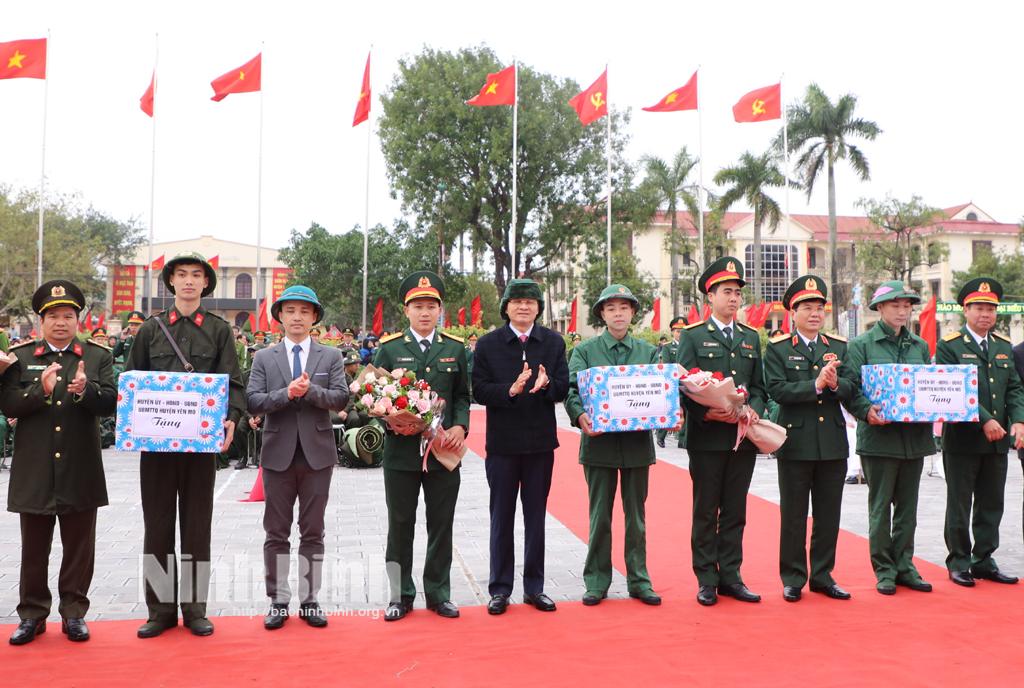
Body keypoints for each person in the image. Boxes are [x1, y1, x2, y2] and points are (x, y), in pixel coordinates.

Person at [126, 253, 245, 637]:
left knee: (197, 527)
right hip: (157, 447)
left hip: (199, 447)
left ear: (206, 284)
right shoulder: (150, 330)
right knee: (157, 527)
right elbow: (132, 381)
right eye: (182, 275)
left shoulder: (218, 331)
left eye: (197, 275)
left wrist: (231, 419)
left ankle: (195, 609)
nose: (190, 281)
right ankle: (159, 611)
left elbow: (234, 383)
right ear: (171, 282)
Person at [2, 280, 116, 645]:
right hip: (35, 468)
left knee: (79, 546)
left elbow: (112, 401)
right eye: (53, 316)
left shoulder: (97, 356)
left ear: (78, 319)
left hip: (80, 467)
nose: (61, 322)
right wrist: (41, 391)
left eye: (68, 315)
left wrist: (87, 391)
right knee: (34, 548)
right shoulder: (19, 357)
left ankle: (74, 613)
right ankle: (32, 615)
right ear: (41, 321)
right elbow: (9, 406)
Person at [247, 285, 347, 629]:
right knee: (276, 531)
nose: (297, 318)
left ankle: (309, 599)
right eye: (290, 311)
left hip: (317, 455)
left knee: (313, 530)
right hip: (277, 454)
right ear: (280, 317)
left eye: (304, 312)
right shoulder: (264, 357)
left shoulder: (330, 357)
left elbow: (340, 399)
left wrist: (311, 391)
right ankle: (277, 599)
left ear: (315, 318)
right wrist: (286, 393)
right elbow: (254, 401)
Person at [373, 271, 470, 621]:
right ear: (407, 311)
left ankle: (438, 593)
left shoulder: (455, 348)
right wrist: (387, 419)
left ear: (440, 310)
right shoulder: (390, 348)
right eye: (418, 306)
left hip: (442, 451)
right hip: (400, 452)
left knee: (441, 523)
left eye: (431, 306)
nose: (425, 312)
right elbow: (373, 395)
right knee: (400, 524)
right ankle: (400, 595)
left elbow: (462, 396)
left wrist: (460, 425)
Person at [472, 279, 570, 615]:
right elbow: (479, 390)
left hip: (540, 444)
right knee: (501, 516)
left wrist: (546, 386)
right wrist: (510, 391)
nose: (524, 306)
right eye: (517, 301)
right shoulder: (488, 345)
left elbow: (562, 387)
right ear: (506, 307)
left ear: (539, 307)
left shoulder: (553, 342)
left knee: (535, 518)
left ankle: (535, 587)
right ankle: (500, 589)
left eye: (530, 301)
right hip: (502, 445)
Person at [565, 284, 665, 607]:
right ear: (602, 315)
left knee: (636, 517)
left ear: (633, 313)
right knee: (600, 516)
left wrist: (667, 412)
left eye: (624, 307)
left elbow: (660, 393)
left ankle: (639, 580)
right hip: (598, 445)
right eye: (611, 309)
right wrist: (580, 416)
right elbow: (572, 391)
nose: (618, 313)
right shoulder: (585, 351)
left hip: (636, 445)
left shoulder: (648, 353)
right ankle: (596, 580)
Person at [677, 257, 767, 606]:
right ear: (709, 298)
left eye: (737, 293)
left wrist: (755, 407)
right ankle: (706, 579)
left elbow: (758, 386)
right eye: (726, 292)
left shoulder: (749, 337)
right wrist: (707, 412)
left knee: (735, 510)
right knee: (705, 510)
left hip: (740, 439)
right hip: (707, 439)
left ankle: (731, 576)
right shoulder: (693, 335)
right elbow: (683, 385)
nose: (733, 298)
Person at [842, 281, 934, 595]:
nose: (902, 311)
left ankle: (905, 565)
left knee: (908, 508)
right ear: (880, 308)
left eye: (907, 306)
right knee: (881, 508)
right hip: (879, 439)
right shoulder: (862, 345)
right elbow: (850, 388)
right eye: (895, 305)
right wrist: (866, 410)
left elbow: (927, 387)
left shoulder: (919, 346)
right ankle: (884, 569)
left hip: (914, 439)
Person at [764, 276, 853, 602]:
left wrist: (833, 386)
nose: (815, 314)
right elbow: (776, 389)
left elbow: (852, 387)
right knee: (794, 515)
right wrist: (814, 385)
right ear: (793, 312)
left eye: (819, 308)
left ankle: (823, 575)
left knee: (829, 515)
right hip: (796, 443)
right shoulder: (779, 349)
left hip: (832, 442)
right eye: (807, 308)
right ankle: (792, 577)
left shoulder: (839, 347)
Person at [937, 277, 1024, 587]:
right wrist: (985, 419)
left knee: (991, 503)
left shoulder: (1002, 346)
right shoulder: (949, 345)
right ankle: (959, 560)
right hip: (963, 439)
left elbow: (1013, 387)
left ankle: (984, 559)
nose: (985, 314)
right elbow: (954, 389)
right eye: (979, 308)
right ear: (965, 310)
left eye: (990, 309)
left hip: (998, 441)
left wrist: (1019, 419)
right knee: (959, 504)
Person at [655, 317, 685, 448]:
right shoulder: (667, 347)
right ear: (673, 332)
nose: (680, 334)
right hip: (673, 382)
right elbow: (667, 366)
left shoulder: (689, 346)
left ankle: (682, 440)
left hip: (687, 382)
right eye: (677, 331)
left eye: (682, 331)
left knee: (687, 411)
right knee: (670, 409)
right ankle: (661, 436)